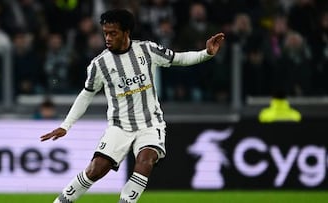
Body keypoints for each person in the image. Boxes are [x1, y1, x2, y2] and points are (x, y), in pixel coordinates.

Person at [40, 8, 224, 203]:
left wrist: (206, 54)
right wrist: (65, 126)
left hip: (150, 124)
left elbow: (178, 59)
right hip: (120, 126)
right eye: (105, 33)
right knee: (96, 169)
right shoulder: (99, 64)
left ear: (126, 32)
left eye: (113, 33)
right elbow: (86, 95)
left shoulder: (147, 50)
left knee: (146, 160)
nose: (108, 38)